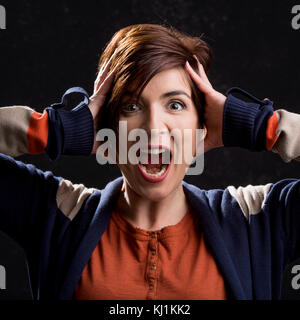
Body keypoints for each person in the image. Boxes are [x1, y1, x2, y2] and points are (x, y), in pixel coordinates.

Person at [0, 23, 299, 300]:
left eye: (175, 104)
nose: (153, 127)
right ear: (107, 127)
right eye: (131, 106)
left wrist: (262, 127)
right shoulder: (57, 214)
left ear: (202, 125)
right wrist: (51, 130)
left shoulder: (259, 218)